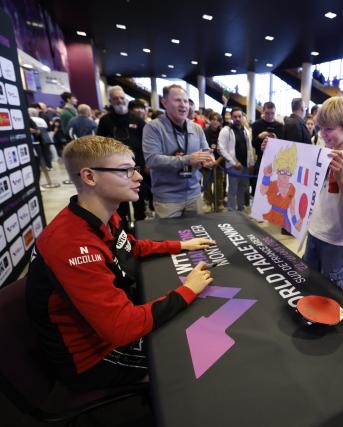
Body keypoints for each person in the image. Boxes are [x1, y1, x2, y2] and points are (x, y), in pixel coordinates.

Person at [26, 136, 215, 391]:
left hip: (107, 332)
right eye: (126, 171)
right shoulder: (70, 244)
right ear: (90, 177)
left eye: (135, 169)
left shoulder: (104, 212)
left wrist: (180, 245)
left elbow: (131, 246)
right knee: (198, 362)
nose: (138, 177)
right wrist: (188, 289)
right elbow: (121, 328)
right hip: (91, 358)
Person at [300, 96, 343, 288]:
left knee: (330, 291)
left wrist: (340, 177)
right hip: (315, 230)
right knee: (309, 284)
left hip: (337, 239)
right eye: (321, 128)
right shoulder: (322, 151)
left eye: (329, 129)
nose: (323, 134)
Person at [143, 84, 215, 218]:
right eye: (177, 100)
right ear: (164, 102)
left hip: (194, 194)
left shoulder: (196, 128)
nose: (183, 105)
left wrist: (209, 159)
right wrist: (187, 159)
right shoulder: (153, 128)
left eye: (186, 101)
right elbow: (152, 160)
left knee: (198, 236)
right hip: (167, 199)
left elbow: (206, 151)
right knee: (171, 238)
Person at [98, 86, 147, 224]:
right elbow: (100, 144)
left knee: (139, 201)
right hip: (115, 169)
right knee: (120, 205)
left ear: (126, 99)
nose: (119, 101)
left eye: (121, 98)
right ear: (110, 101)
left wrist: (146, 163)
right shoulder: (105, 121)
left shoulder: (137, 121)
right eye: (115, 98)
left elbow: (146, 144)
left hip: (136, 167)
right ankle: (123, 230)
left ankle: (140, 229)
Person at [217, 107, 255, 211]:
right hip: (234, 166)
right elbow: (221, 149)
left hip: (245, 165)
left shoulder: (246, 130)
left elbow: (249, 149)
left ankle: (241, 210)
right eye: (235, 116)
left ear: (242, 117)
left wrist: (251, 163)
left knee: (243, 189)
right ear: (231, 117)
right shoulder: (226, 130)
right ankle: (231, 212)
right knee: (232, 190)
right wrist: (233, 162)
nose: (238, 118)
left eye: (240, 116)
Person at [251, 101, 284, 196]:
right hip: (261, 159)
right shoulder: (256, 125)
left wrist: (276, 138)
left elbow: (283, 146)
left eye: (272, 113)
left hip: (276, 161)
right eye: (267, 113)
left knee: (274, 189)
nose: (270, 116)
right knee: (258, 188)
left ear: (275, 112)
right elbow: (253, 144)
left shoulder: (280, 126)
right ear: (263, 112)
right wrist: (259, 137)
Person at [203, 112, 226, 212]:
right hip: (206, 162)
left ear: (220, 122)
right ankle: (208, 203)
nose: (215, 122)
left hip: (220, 162)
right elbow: (201, 147)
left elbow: (226, 149)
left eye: (217, 120)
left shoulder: (223, 133)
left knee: (219, 184)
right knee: (207, 184)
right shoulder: (204, 131)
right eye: (213, 119)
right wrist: (207, 160)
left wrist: (217, 161)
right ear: (209, 120)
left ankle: (219, 203)